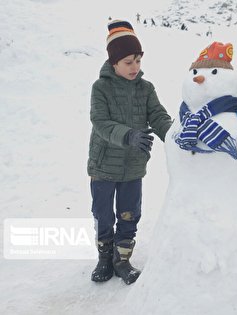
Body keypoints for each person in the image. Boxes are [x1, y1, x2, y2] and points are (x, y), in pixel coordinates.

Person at [88, 19, 172, 285]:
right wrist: (128, 134)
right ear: (114, 63)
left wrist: (173, 135)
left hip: (134, 165)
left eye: (138, 60)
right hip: (104, 165)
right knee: (104, 213)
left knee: (129, 213)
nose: (135, 67)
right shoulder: (101, 88)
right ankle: (104, 258)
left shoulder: (146, 89)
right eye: (128, 62)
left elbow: (158, 115)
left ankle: (122, 259)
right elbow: (100, 122)